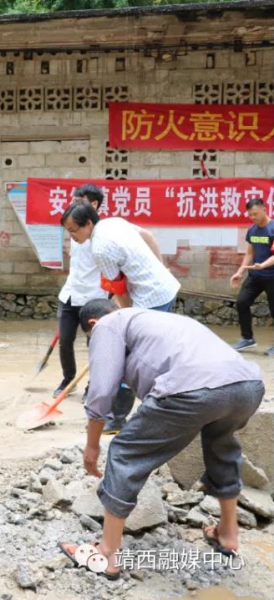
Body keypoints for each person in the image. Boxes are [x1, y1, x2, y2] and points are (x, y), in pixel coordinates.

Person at [59, 299, 264, 579]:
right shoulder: (156, 319)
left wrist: (92, 445)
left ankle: (107, 554)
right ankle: (228, 534)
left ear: (93, 324)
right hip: (248, 386)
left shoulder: (106, 325)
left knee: (124, 452)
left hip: (194, 389)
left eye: (89, 337)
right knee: (221, 446)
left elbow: (101, 391)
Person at [61, 202, 181, 434]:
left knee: (130, 356)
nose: (71, 236)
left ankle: (116, 419)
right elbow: (148, 236)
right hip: (166, 288)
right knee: (154, 353)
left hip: (150, 299)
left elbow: (120, 291)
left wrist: (126, 321)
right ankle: (165, 405)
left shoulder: (100, 249)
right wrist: (159, 268)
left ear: (88, 224)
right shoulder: (113, 222)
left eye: (74, 230)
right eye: (68, 231)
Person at [54, 184, 108, 398]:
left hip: (93, 298)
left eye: (79, 201)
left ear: (93, 204)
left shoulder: (102, 236)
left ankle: (93, 385)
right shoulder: (75, 227)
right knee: (65, 340)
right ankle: (68, 380)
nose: (73, 205)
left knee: (94, 345)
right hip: (69, 293)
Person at [229, 197, 274, 356]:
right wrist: (239, 272)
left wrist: (263, 265)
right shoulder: (252, 230)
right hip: (255, 276)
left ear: (264, 210)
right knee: (242, 302)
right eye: (250, 215)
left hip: (272, 276)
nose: (253, 217)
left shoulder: (272, 228)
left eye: (255, 214)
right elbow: (249, 253)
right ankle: (247, 338)